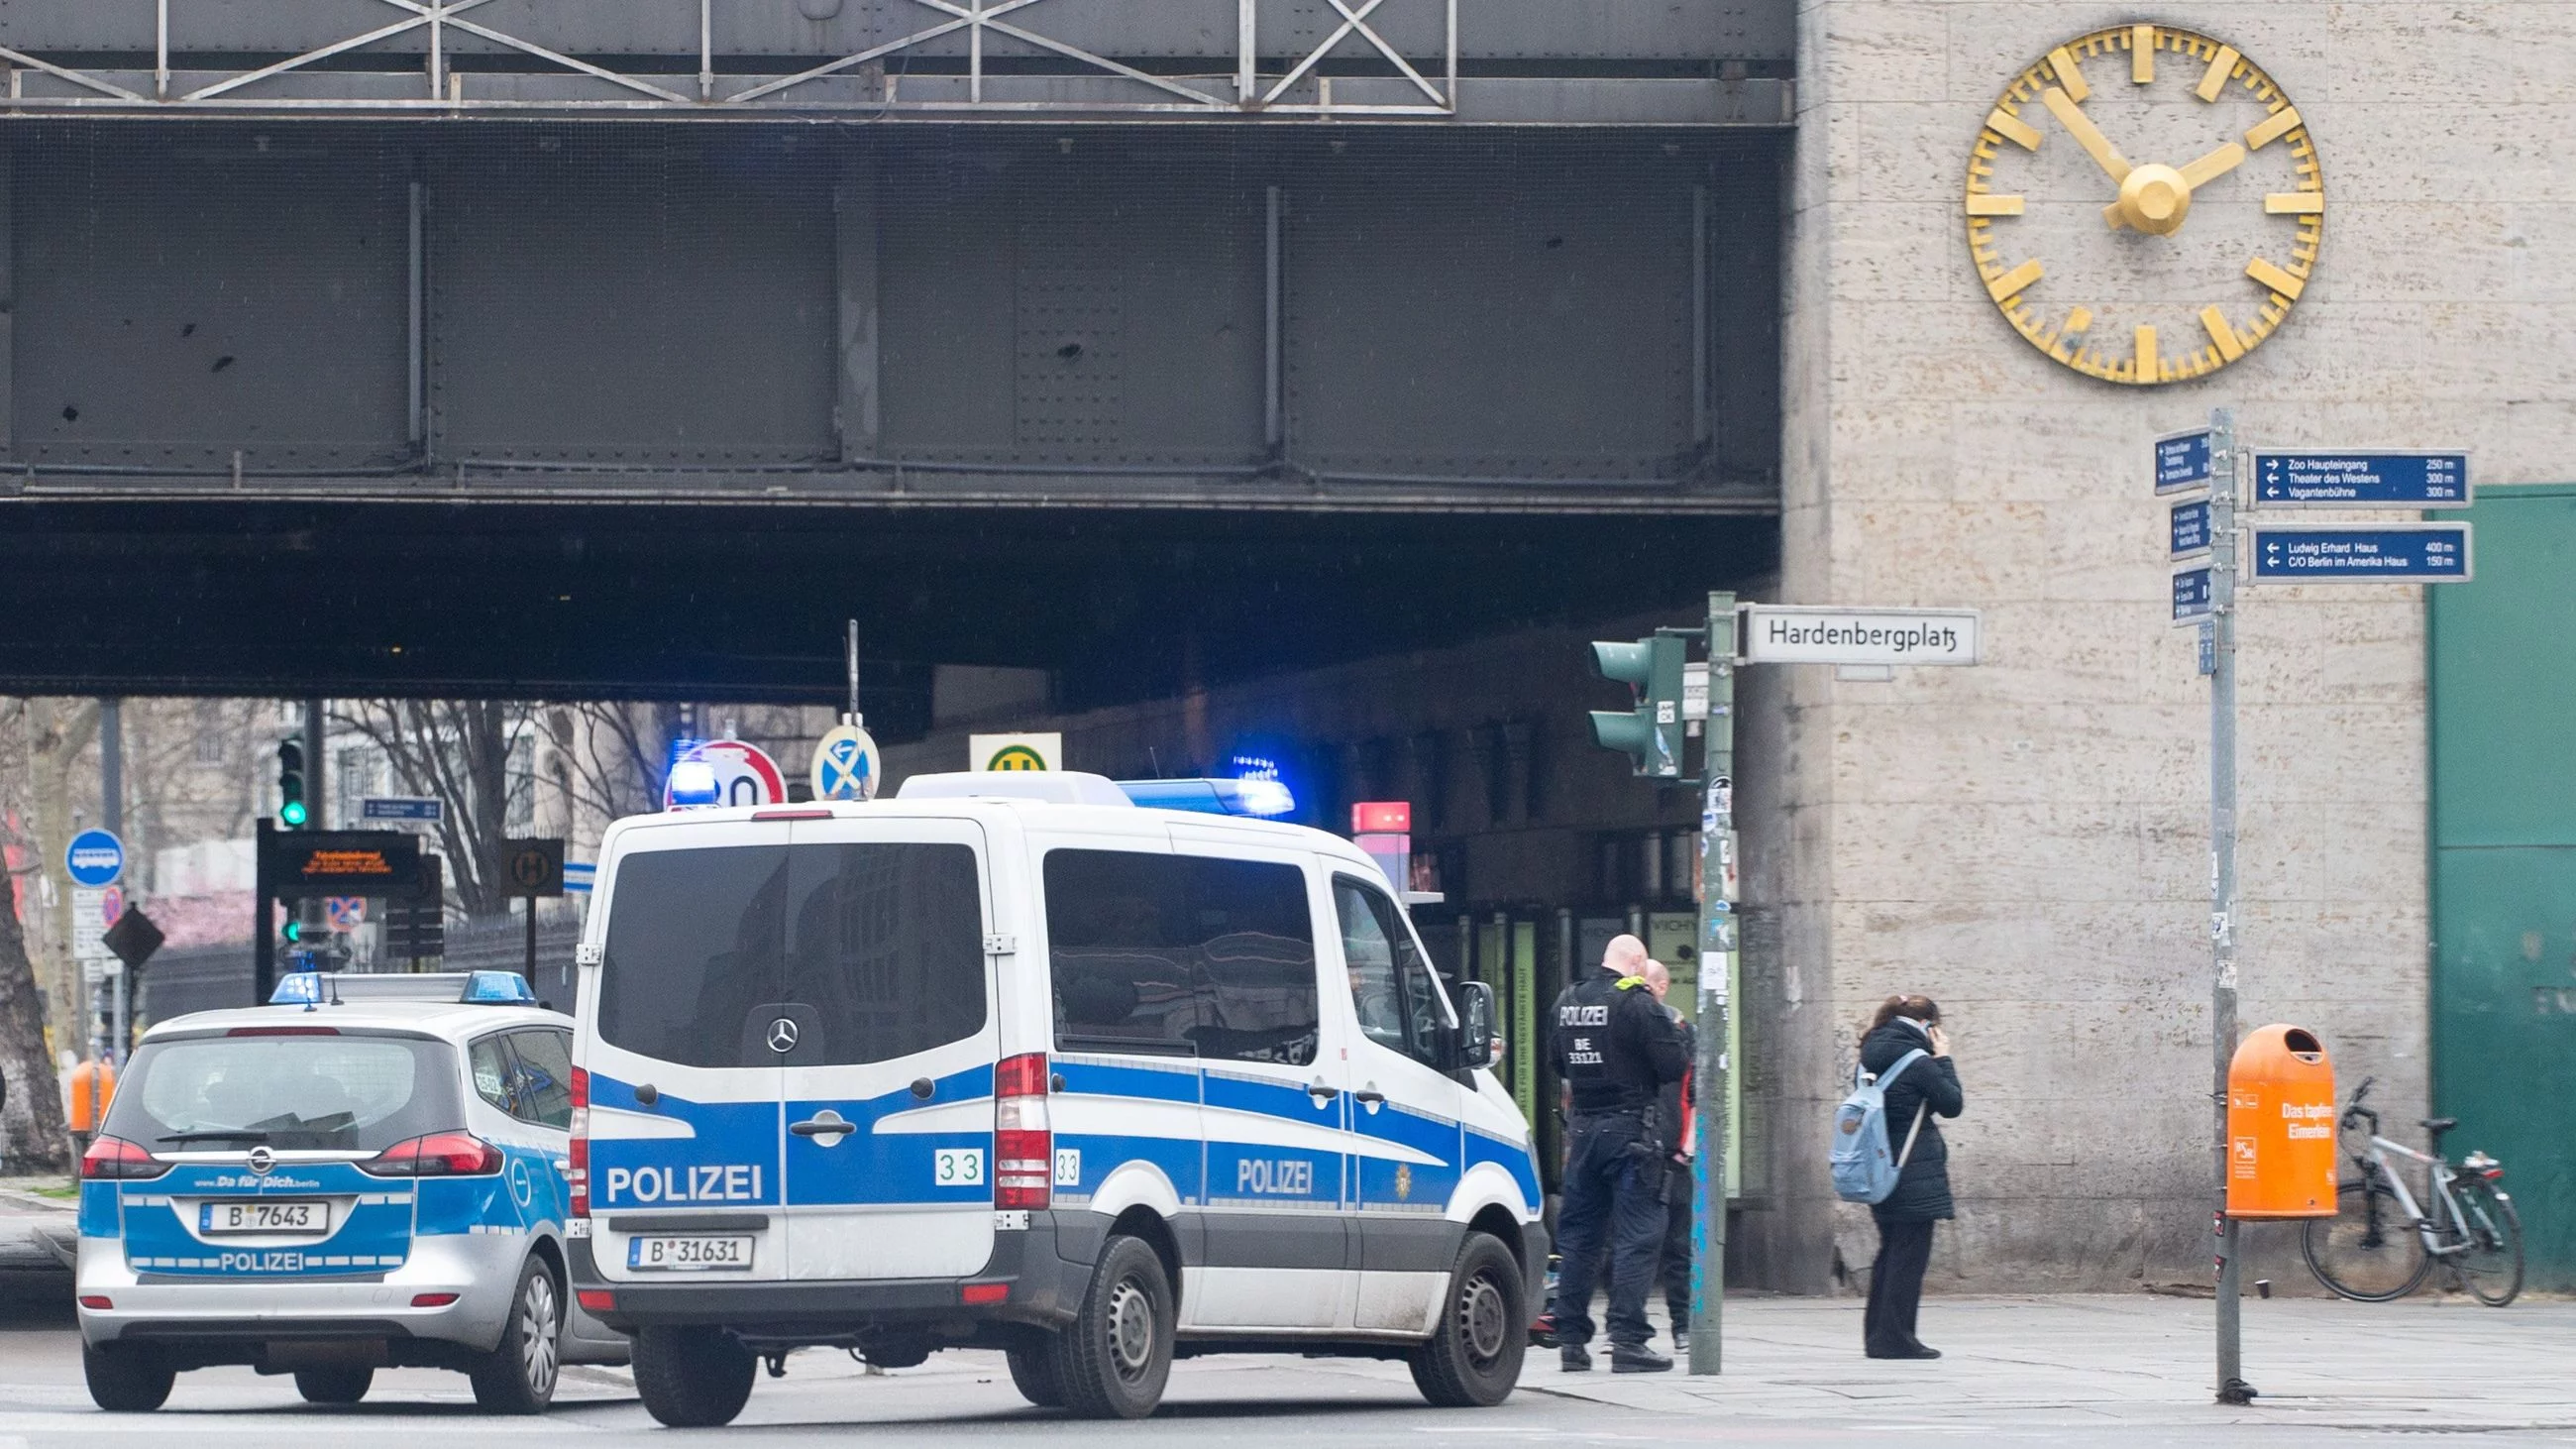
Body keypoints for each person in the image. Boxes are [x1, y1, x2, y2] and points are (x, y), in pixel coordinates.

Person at [1545, 934, 1687, 1373]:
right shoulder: (1636, 1002)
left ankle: (1571, 1340)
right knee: (1637, 1236)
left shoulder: (1567, 1000)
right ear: (1638, 963)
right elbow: (1673, 1066)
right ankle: (1627, 1339)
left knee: (1580, 1240)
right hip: (1631, 1135)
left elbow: (1558, 1063)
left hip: (1584, 1133)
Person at [1858, 992, 1963, 1360]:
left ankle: (1878, 1335)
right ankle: (1896, 1338)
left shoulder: (1869, 1053)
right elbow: (1952, 1104)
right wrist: (1944, 1058)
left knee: (1890, 1251)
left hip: (1878, 1164)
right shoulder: (1917, 1061)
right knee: (1909, 1255)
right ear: (1927, 1025)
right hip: (1911, 1167)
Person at [1642, 959, 1697, 1353]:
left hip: (1675, 1153)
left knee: (1678, 1246)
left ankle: (1682, 1325)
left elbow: (1696, 1093)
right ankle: (1628, 1325)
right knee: (1633, 1243)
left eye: (1645, 984)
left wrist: (1687, 1147)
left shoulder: (1684, 1033)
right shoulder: (1629, 1027)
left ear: (1662, 986)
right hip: (1640, 1151)